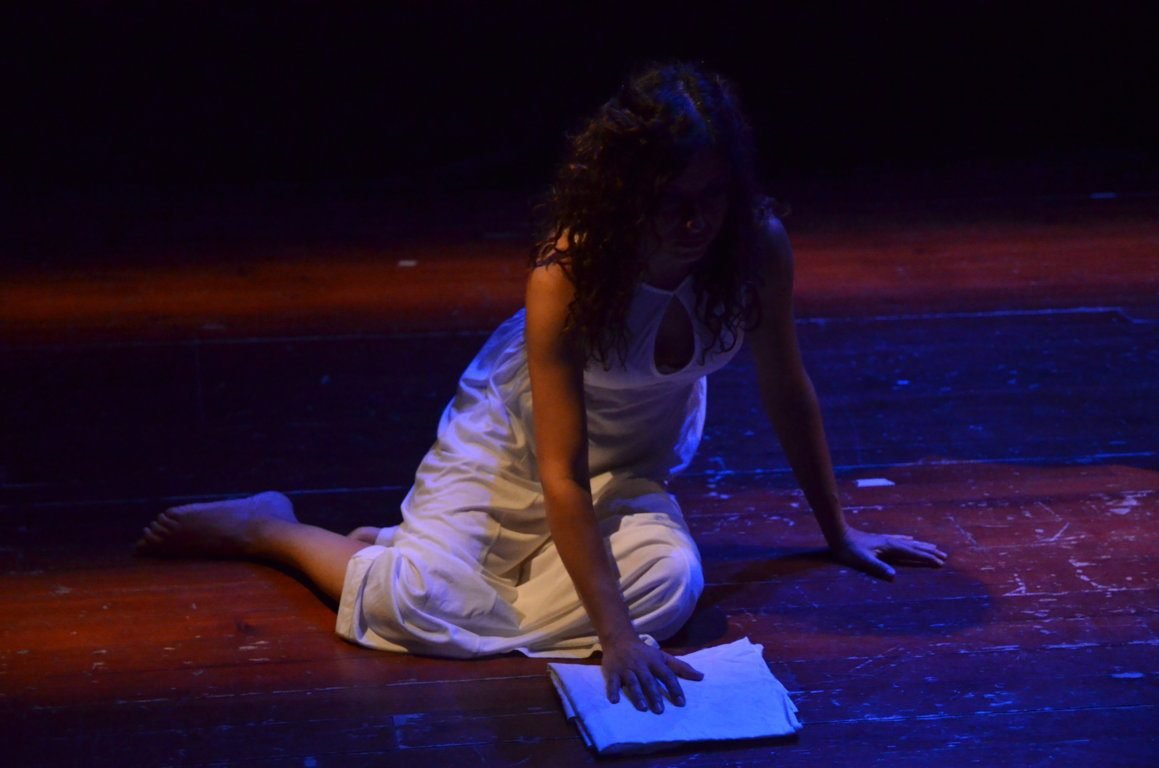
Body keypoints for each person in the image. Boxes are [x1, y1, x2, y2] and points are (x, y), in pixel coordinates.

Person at [138, 62, 946, 716]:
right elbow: (559, 471)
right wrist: (613, 639)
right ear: (628, 192)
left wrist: (837, 532)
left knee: (670, 585)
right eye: (671, 202)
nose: (693, 223)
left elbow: (785, 386)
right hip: (515, 454)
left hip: (627, 471)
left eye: (710, 198)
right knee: (406, 606)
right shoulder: (570, 271)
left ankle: (415, 554)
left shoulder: (754, 247)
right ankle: (271, 528)